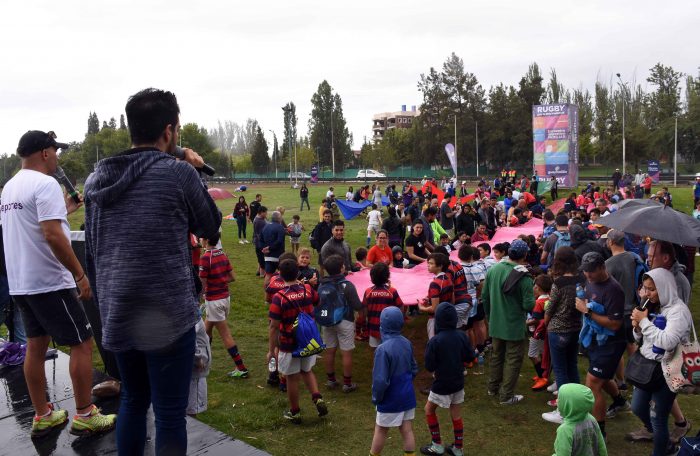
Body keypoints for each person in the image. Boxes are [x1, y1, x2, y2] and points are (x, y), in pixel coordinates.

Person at [84, 88, 221, 454]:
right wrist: (194, 170)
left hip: (118, 312)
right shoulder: (178, 173)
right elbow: (211, 226)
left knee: (132, 400)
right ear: (170, 130)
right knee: (170, 414)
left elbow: (94, 251)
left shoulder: (96, 180)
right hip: (168, 316)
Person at [3, 130, 116, 438]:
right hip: (49, 282)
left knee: (36, 346)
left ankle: (43, 415)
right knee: (82, 342)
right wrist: (79, 274)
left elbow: (35, 226)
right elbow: (52, 235)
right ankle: (84, 414)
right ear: (44, 153)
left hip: (22, 283)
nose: (58, 157)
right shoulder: (45, 184)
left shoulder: (11, 187)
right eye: (56, 151)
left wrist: (65, 210)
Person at [628, 269, 692, 455]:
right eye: (645, 288)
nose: (646, 293)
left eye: (652, 289)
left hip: (668, 369)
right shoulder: (653, 305)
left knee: (658, 417)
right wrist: (637, 328)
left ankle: (661, 450)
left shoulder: (678, 312)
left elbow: (667, 342)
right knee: (638, 407)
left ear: (664, 288)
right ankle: (665, 443)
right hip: (647, 368)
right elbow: (641, 339)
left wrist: (645, 322)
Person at [574, 252, 628, 439]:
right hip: (596, 339)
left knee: (593, 383)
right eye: (585, 271)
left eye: (591, 272)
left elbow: (615, 324)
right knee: (601, 378)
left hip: (611, 342)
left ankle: (599, 432)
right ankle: (619, 401)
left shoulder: (614, 289)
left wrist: (587, 312)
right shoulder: (590, 280)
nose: (587, 275)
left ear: (601, 268)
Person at [268, 259, 328, 423]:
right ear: (298, 273)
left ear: (280, 274)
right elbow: (318, 301)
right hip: (309, 340)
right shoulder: (307, 289)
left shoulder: (278, 298)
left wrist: (270, 350)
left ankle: (295, 412)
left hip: (289, 344)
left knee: (292, 377)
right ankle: (317, 397)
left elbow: (274, 326)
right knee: (307, 371)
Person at [482, 240, 535, 405]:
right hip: (514, 325)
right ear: (525, 255)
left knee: (497, 355)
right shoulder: (524, 277)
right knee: (513, 358)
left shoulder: (494, 269)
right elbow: (528, 305)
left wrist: (490, 317)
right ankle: (506, 396)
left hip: (496, 321)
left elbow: (485, 296)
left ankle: (492, 388)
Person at [420, 302, 475, 456]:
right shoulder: (462, 336)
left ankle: (437, 445)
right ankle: (458, 448)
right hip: (458, 382)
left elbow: (429, 366)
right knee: (456, 414)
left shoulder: (435, 341)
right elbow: (470, 356)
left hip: (442, 383)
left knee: (429, 410)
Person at [541, 247, 583, 422]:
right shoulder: (581, 280)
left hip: (558, 329)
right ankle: (578, 403)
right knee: (572, 366)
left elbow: (550, 308)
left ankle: (563, 410)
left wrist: (545, 323)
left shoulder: (558, 283)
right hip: (575, 328)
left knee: (560, 371)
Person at [370, 306, 418, 456]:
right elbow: (414, 368)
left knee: (381, 429)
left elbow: (380, 380)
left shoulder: (382, 349)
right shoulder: (406, 343)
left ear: (382, 325)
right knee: (407, 429)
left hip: (390, 398)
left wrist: (376, 398)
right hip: (407, 396)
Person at [199, 233, 248, 378]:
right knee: (206, 330)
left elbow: (202, 282)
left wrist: (201, 296)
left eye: (202, 238)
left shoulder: (205, 258)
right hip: (225, 298)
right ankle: (202, 361)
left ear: (206, 240)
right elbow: (232, 277)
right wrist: (220, 280)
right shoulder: (222, 254)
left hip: (214, 301)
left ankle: (241, 368)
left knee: (225, 334)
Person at [319, 255, 363, 392]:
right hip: (345, 320)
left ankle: (331, 380)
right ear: (342, 268)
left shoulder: (322, 284)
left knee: (329, 351)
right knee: (346, 353)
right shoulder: (348, 285)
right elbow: (357, 306)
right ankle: (347, 383)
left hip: (327, 320)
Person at [551, 384, 608, 456]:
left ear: (569, 405)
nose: (556, 400)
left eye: (560, 399)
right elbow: (601, 445)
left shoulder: (565, 430)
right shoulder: (591, 419)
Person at [363, 263, 404, 349]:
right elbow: (400, 307)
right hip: (390, 328)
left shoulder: (368, 292)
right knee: (390, 349)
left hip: (373, 327)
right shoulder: (392, 291)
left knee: (376, 351)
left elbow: (364, 311)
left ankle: (378, 361)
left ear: (372, 277)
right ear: (387, 276)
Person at [418, 253, 454, 340]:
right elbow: (452, 301)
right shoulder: (448, 279)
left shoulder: (435, 283)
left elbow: (434, 308)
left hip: (436, 319)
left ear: (440, 266)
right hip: (447, 317)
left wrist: (422, 308)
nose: (428, 266)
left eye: (431, 263)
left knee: (434, 343)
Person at [528, 274, 552, 392]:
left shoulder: (539, 302)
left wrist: (526, 323)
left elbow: (536, 320)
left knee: (532, 355)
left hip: (537, 333)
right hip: (546, 332)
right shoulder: (549, 298)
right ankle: (544, 374)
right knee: (543, 353)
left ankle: (542, 376)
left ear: (537, 287)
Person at [187, 317, 211, 417]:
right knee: (191, 410)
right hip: (195, 372)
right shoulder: (191, 312)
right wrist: (197, 358)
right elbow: (189, 335)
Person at [260, 211, 287, 286]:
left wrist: (264, 249)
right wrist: (270, 248)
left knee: (268, 275)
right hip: (278, 255)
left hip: (268, 256)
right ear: (279, 218)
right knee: (283, 274)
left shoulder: (266, 226)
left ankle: (267, 294)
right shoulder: (280, 227)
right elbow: (279, 241)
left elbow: (261, 239)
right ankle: (282, 291)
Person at [253, 206, 268, 277]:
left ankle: (258, 271)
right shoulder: (260, 221)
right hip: (260, 243)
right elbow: (260, 234)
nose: (266, 214)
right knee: (262, 258)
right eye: (265, 212)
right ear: (261, 212)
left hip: (257, 242)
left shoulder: (258, 218)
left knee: (260, 257)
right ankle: (262, 274)